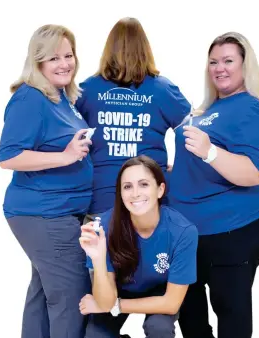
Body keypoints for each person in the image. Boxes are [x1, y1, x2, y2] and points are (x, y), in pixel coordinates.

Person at [0, 24, 105, 338]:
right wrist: (64, 156)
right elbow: (8, 156)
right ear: (37, 61)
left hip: (59, 211)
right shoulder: (30, 98)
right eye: (53, 57)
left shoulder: (61, 98)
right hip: (43, 213)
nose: (64, 63)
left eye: (68, 54)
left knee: (43, 293)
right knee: (70, 293)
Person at [169, 32, 259, 338]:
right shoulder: (210, 108)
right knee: (187, 292)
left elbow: (254, 171)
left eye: (228, 60)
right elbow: (195, 165)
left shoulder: (252, 108)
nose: (220, 68)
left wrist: (209, 152)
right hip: (191, 227)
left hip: (234, 227)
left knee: (229, 304)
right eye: (214, 61)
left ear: (246, 66)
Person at [78, 156, 198, 338]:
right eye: (127, 187)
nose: (135, 194)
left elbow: (170, 303)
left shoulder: (182, 231)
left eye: (144, 184)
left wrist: (114, 306)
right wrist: (97, 258)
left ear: (160, 189)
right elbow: (105, 298)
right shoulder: (103, 227)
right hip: (118, 288)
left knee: (158, 329)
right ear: (119, 193)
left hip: (158, 294)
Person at [76, 17, 190, 217]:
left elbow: (62, 133)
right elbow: (194, 130)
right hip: (149, 201)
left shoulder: (87, 90)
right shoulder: (163, 90)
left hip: (101, 200)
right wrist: (178, 167)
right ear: (145, 49)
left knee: (102, 248)